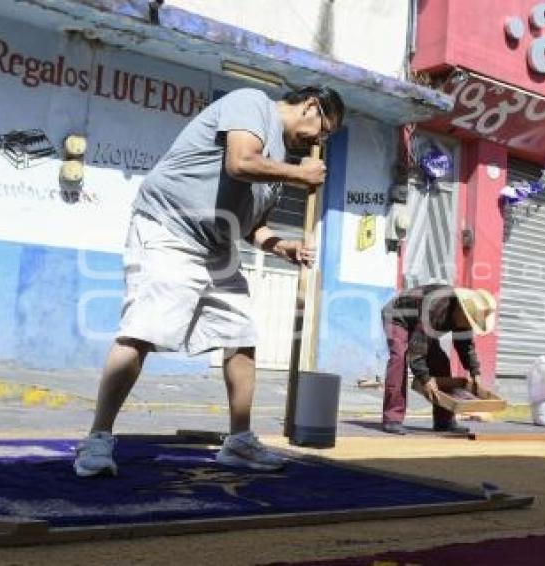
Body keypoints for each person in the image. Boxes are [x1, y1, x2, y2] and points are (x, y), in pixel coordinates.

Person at [73, 85, 344, 476]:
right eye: (323, 131)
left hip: (215, 247)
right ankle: (97, 439)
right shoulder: (252, 104)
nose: (318, 141)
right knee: (141, 331)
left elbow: (252, 225)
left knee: (241, 335)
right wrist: (299, 175)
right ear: (311, 106)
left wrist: (280, 245)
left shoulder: (282, 158)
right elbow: (239, 162)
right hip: (168, 228)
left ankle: (239, 442)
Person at [380, 284, 497, 435]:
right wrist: (425, 379)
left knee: (441, 363)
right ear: (461, 309)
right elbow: (416, 350)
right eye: (468, 320)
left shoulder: (465, 316)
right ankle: (392, 419)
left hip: (421, 325)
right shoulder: (436, 306)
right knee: (399, 359)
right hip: (397, 316)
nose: (468, 326)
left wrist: (475, 372)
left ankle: (444, 420)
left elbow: (465, 346)